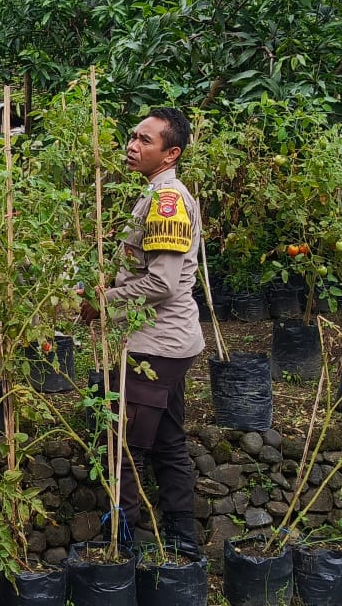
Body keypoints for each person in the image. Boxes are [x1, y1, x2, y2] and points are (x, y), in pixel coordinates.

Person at [81, 106, 205, 557]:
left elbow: (162, 283)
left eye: (145, 140)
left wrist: (100, 302)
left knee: (125, 447)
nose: (132, 146)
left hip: (157, 346)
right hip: (162, 342)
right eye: (132, 136)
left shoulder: (167, 200)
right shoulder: (153, 195)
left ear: (170, 153)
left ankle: (124, 544)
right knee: (168, 440)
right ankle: (183, 541)